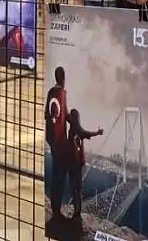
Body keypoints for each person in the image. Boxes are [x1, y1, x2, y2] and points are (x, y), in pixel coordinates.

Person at [66, 108, 104, 221]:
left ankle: (76, 213)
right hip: (78, 163)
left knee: (74, 188)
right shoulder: (78, 128)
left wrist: (97, 133)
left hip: (73, 164)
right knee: (78, 188)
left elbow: (68, 117)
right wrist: (97, 133)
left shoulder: (75, 129)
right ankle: (77, 212)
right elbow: (84, 132)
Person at [45, 67, 70, 221]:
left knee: (55, 175)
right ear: (63, 78)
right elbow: (65, 115)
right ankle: (57, 213)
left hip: (53, 142)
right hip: (60, 143)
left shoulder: (50, 92)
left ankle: (55, 210)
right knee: (60, 177)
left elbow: (47, 115)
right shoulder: (62, 94)